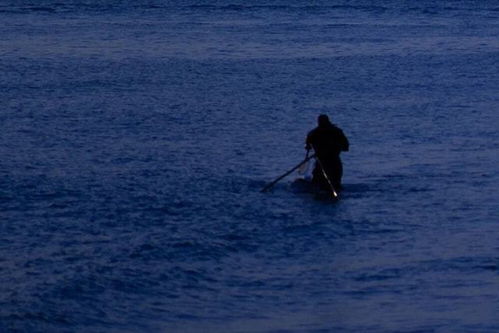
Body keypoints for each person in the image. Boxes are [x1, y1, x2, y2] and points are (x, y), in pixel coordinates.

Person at [306, 114, 349, 192]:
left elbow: (346, 147)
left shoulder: (313, 133)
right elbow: (346, 147)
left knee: (320, 184)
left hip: (329, 162)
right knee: (332, 184)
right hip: (326, 163)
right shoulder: (314, 134)